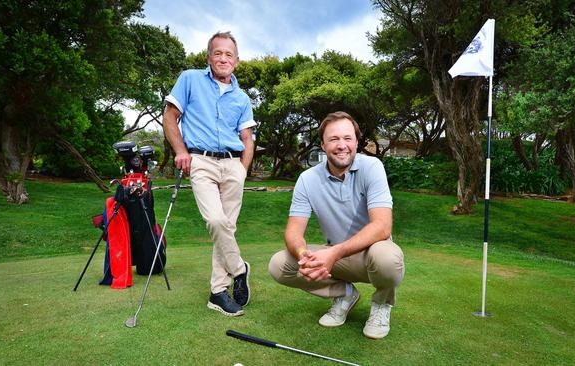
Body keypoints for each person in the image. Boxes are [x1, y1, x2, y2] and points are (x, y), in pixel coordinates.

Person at [268, 111, 405, 339]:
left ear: (356, 142)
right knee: (279, 264)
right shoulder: (307, 179)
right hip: (335, 258)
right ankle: (345, 294)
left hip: (370, 255)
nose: (342, 145)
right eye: (334, 139)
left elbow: (382, 226)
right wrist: (304, 254)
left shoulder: (372, 167)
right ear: (322, 145)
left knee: (387, 258)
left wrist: (335, 253)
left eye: (347, 138)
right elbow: (293, 231)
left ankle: (381, 305)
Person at [163, 31, 254, 317]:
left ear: (236, 61)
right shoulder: (189, 79)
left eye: (229, 54)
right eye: (218, 53)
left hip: (232, 164)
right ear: (209, 57)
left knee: (227, 227)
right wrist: (180, 150)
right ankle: (239, 269)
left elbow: (247, 139)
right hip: (199, 161)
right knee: (216, 221)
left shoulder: (242, 98)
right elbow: (169, 117)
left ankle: (217, 292)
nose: (223, 58)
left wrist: (242, 169)